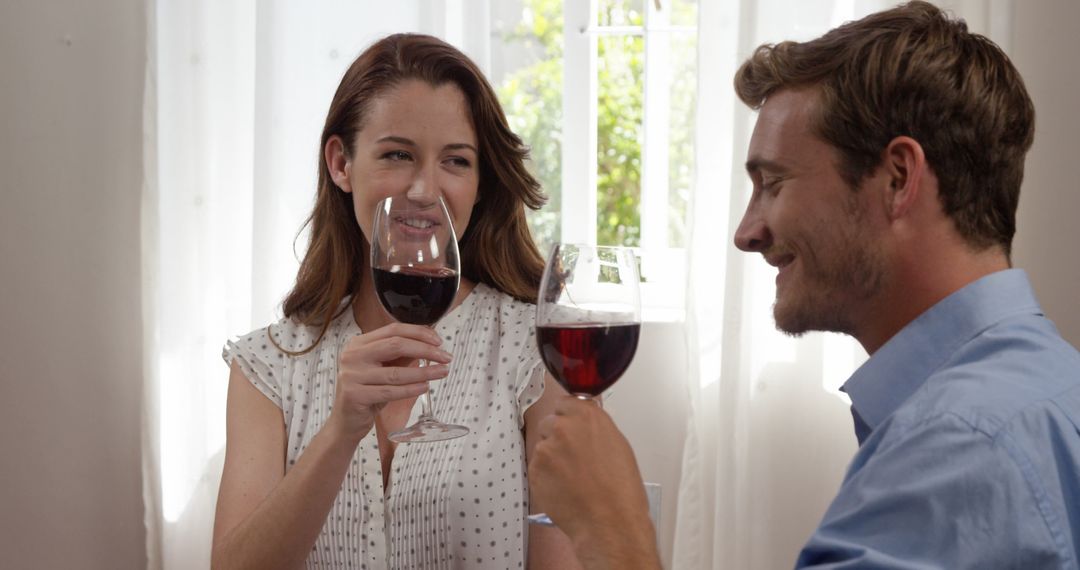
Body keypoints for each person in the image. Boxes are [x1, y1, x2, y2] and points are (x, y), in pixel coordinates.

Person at [529, 1, 1080, 568]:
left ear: (897, 178)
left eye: (772, 182)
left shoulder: (956, 448)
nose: (747, 233)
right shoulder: (1052, 384)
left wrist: (611, 531)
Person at [213, 33, 581, 569]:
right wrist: (340, 431)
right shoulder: (268, 365)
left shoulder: (539, 352)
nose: (424, 190)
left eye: (455, 161)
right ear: (341, 163)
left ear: (480, 184)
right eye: (397, 154)